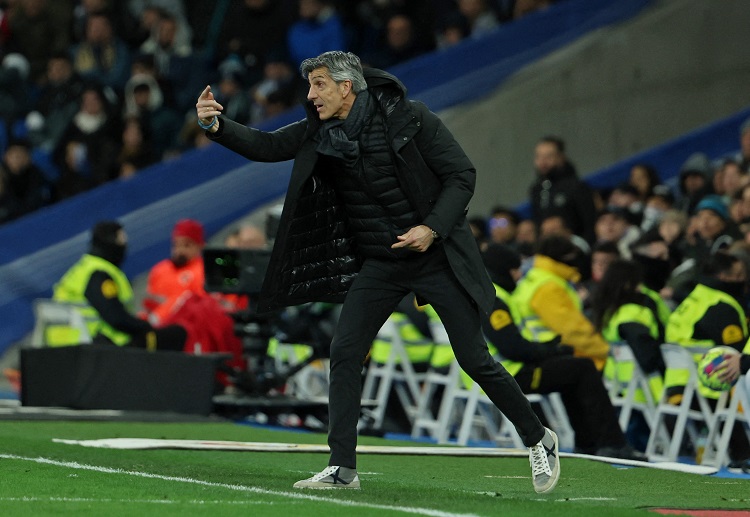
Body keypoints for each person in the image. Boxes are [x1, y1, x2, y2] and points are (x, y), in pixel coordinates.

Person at [195, 50, 560, 493]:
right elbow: (269, 146)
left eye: (319, 85)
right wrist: (216, 125)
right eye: (310, 86)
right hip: (381, 263)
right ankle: (342, 467)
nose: (310, 96)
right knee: (344, 351)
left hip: (436, 258)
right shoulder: (320, 131)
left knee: (474, 359)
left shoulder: (411, 118)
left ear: (346, 88)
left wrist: (431, 228)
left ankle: (538, 438)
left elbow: (462, 175)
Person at [481, 243, 644, 459]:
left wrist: (553, 351)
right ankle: (612, 444)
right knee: (583, 368)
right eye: (515, 269)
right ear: (504, 270)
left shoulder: (491, 292)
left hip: (502, 371)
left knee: (572, 369)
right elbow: (512, 348)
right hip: (509, 375)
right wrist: (550, 351)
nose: (520, 275)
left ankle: (589, 444)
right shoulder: (494, 298)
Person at [50, 220, 186, 350]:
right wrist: (146, 325)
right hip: (94, 346)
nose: (125, 246)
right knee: (177, 334)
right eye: (122, 240)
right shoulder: (99, 274)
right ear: (110, 242)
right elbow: (116, 318)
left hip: (69, 346)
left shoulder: (84, 268)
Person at [512, 235, 609, 370]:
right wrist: (605, 350)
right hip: (554, 356)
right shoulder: (548, 287)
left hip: (540, 354)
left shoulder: (535, 278)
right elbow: (572, 330)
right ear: (565, 257)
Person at [528, 135, 597, 245]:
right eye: (539, 156)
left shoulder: (577, 187)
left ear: (561, 157)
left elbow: (589, 224)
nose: (543, 161)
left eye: (548, 156)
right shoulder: (536, 190)